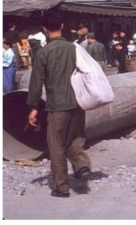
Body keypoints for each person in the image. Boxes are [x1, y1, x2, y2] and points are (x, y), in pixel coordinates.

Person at [27, 11, 92, 198]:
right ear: (62, 26)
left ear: (44, 29)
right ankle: (81, 167)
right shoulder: (75, 48)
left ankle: (62, 187)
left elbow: (36, 82)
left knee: (56, 146)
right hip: (78, 103)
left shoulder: (43, 53)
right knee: (76, 139)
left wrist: (32, 108)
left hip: (57, 106)